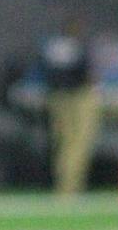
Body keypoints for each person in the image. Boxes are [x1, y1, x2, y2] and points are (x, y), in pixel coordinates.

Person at [42, 16, 99, 196]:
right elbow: (87, 75)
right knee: (78, 143)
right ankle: (72, 186)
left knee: (63, 143)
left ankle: (63, 185)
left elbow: (46, 73)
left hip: (57, 97)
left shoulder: (52, 48)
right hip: (77, 98)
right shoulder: (77, 47)